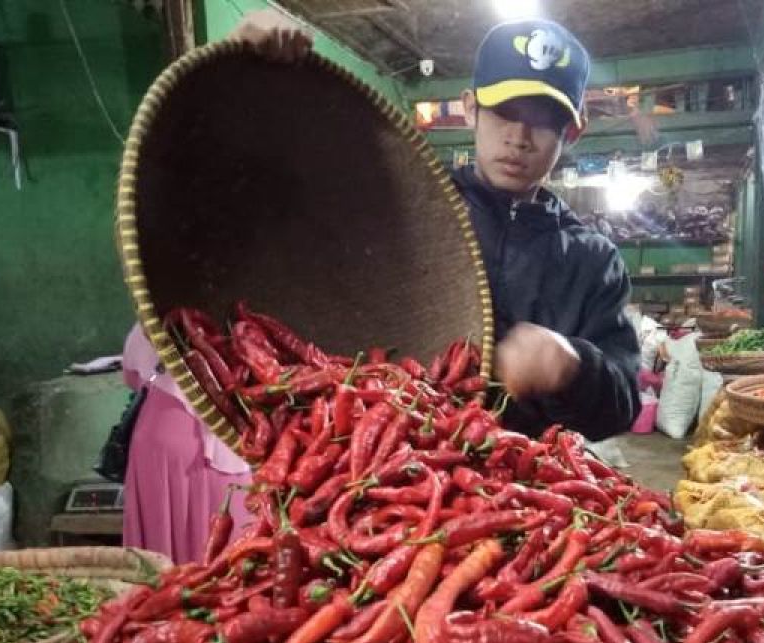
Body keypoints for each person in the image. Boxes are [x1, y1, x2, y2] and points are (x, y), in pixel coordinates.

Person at [230, 13, 639, 442]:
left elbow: (621, 407)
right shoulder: (407, 204)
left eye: (543, 120)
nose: (519, 137)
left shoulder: (593, 262)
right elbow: (280, 201)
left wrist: (574, 366)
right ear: (469, 109)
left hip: (514, 490)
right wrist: (250, 80)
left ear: (571, 132)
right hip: (378, 459)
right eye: (504, 110)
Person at [120, 324, 252, 564]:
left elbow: (132, 377)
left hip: (159, 438)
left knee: (160, 565)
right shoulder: (241, 328)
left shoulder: (147, 324)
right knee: (228, 561)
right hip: (227, 441)